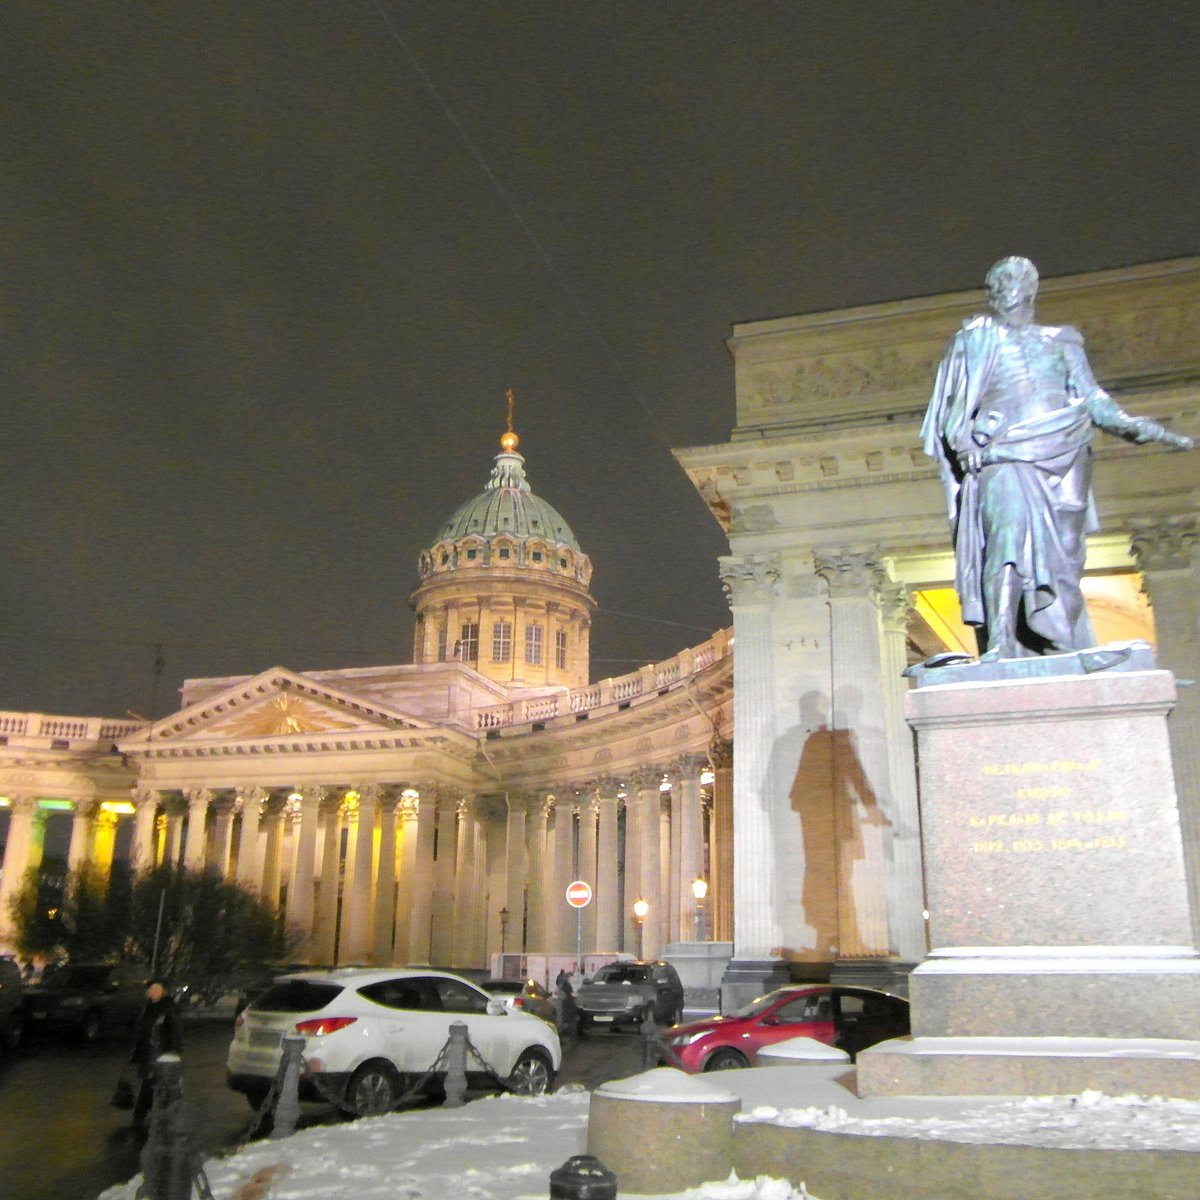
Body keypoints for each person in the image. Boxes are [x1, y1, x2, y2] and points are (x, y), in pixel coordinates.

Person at [922, 256, 1193, 661]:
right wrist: (967, 444)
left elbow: (1092, 398)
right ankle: (1000, 642)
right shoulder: (974, 340)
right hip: (1004, 454)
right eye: (995, 284)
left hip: (1062, 450)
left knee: (1064, 555)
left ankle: (1058, 637)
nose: (1002, 289)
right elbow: (951, 410)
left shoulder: (1061, 339)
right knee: (1006, 541)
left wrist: (1136, 427)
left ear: (1031, 288)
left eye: (1011, 280)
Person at [129, 978, 182, 1135]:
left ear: (163, 991)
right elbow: (142, 1031)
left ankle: (143, 1116)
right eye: (150, 989)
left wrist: (171, 1053)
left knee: (151, 1085)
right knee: (151, 1085)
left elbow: (174, 1034)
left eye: (156, 989)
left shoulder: (168, 1008)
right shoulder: (148, 1007)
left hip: (160, 1055)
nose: (152, 992)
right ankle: (153, 1116)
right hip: (147, 1053)